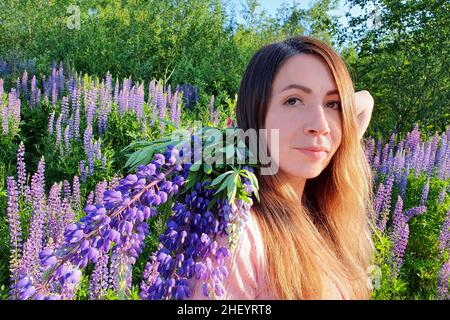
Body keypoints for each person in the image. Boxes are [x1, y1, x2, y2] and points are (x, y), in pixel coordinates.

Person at [188, 35, 375, 300]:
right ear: (256, 114)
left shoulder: (316, 216)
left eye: (332, 104)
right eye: (293, 100)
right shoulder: (240, 235)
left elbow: (364, 103)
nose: (320, 124)